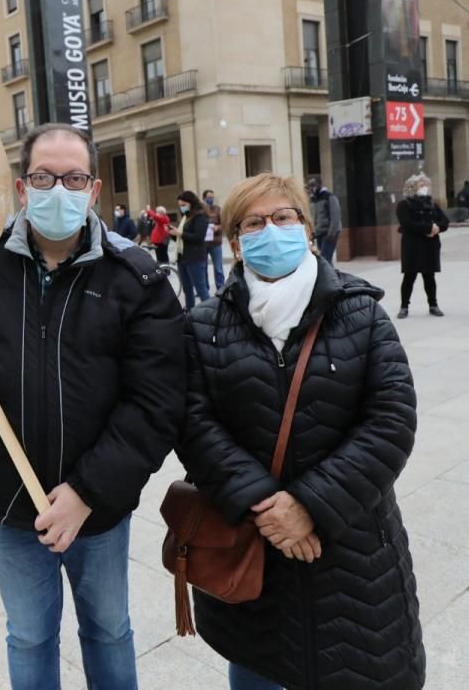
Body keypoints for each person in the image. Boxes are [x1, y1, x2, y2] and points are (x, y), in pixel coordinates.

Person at [0, 123, 185, 690]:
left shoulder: (138, 278)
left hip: (99, 510)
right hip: (6, 499)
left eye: (74, 177)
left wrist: (87, 494)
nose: (59, 188)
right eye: (43, 177)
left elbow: (157, 400)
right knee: (29, 636)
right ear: (20, 186)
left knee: (108, 630)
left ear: (94, 188)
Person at [178, 173, 424, 690]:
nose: (270, 230)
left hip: (351, 550)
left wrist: (309, 505)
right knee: (258, 672)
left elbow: (391, 419)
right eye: (253, 223)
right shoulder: (204, 325)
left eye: (283, 217)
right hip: (251, 549)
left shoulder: (360, 313)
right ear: (236, 243)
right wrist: (268, 507)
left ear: (307, 231)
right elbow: (195, 424)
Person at [396, 172, 448, 318]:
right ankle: (404, 306)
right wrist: (429, 228)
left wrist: (437, 227)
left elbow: (444, 221)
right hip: (412, 245)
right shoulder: (404, 205)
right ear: (412, 188)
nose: (424, 187)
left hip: (430, 245)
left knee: (429, 276)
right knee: (409, 277)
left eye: (426, 185)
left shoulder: (431, 203)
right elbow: (407, 223)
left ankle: (433, 305)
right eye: (421, 185)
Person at [170, 190, 212, 310]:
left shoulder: (200, 216)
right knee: (187, 289)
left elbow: (198, 237)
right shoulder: (185, 217)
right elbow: (181, 237)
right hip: (182, 258)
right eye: (180, 205)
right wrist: (172, 234)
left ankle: (211, 313)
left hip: (195, 258)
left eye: (183, 205)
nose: (181, 207)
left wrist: (180, 233)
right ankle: (190, 312)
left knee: (201, 289)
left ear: (191, 203)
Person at [308, 177, 343, 264]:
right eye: (310, 186)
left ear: (320, 185)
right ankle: (331, 276)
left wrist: (331, 234)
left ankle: (330, 277)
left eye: (314, 185)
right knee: (324, 259)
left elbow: (335, 217)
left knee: (325, 259)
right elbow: (312, 217)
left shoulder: (329, 197)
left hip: (329, 234)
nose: (312, 188)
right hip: (319, 234)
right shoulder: (313, 199)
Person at [203, 189, 226, 291]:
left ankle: (220, 288)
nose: (211, 199)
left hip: (216, 243)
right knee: (203, 268)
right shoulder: (200, 211)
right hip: (203, 244)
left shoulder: (217, 209)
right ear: (204, 198)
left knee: (218, 268)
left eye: (212, 197)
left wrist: (217, 227)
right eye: (209, 197)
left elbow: (224, 224)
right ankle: (205, 288)